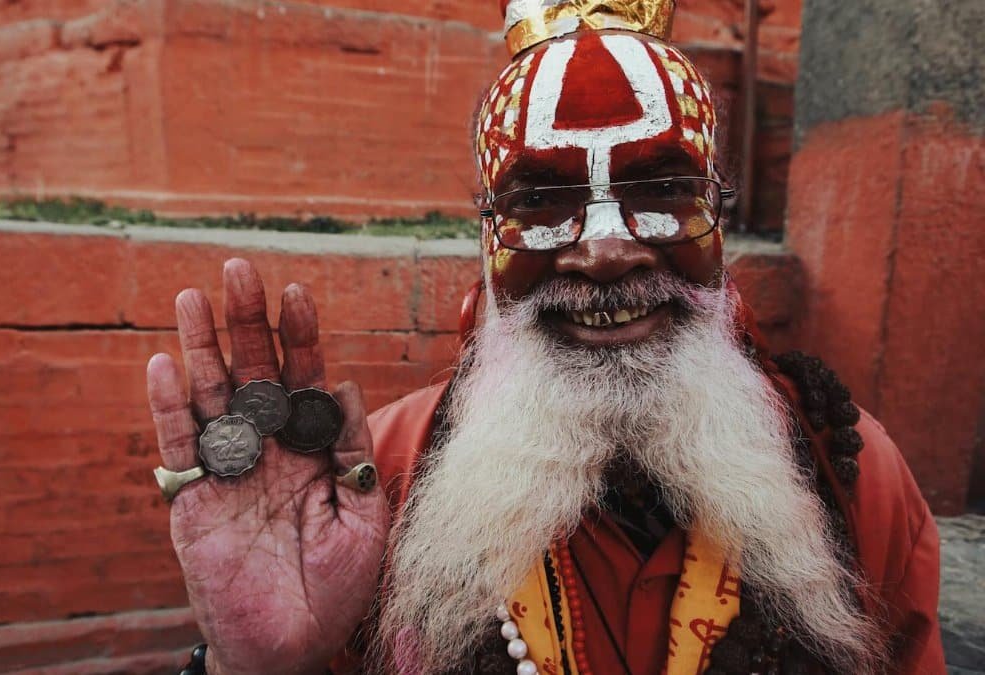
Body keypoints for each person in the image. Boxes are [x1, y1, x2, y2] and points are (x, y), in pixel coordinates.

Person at [144, 1, 944, 673]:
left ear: (720, 219)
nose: (603, 250)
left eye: (662, 187)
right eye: (542, 200)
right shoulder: (370, 487)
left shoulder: (857, 479)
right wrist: (248, 667)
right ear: (486, 239)